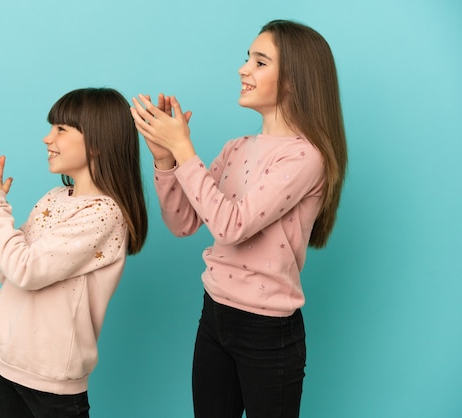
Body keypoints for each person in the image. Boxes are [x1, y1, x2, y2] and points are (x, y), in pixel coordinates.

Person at [130, 19, 347, 418]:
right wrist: (166, 158)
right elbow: (183, 223)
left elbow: (230, 226)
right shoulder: (236, 147)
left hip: (266, 331)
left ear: (294, 81)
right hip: (213, 315)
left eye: (260, 62)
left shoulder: (304, 157)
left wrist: (184, 149)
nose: (243, 69)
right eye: (247, 58)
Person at [0, 87, 148, 418]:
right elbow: (8, 270)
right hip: (7, 362)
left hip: (51, 377)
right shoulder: (56, 196)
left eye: (61, 129)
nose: (47, 138)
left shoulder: (103, 214)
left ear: (98, 142)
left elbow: (25, 270)